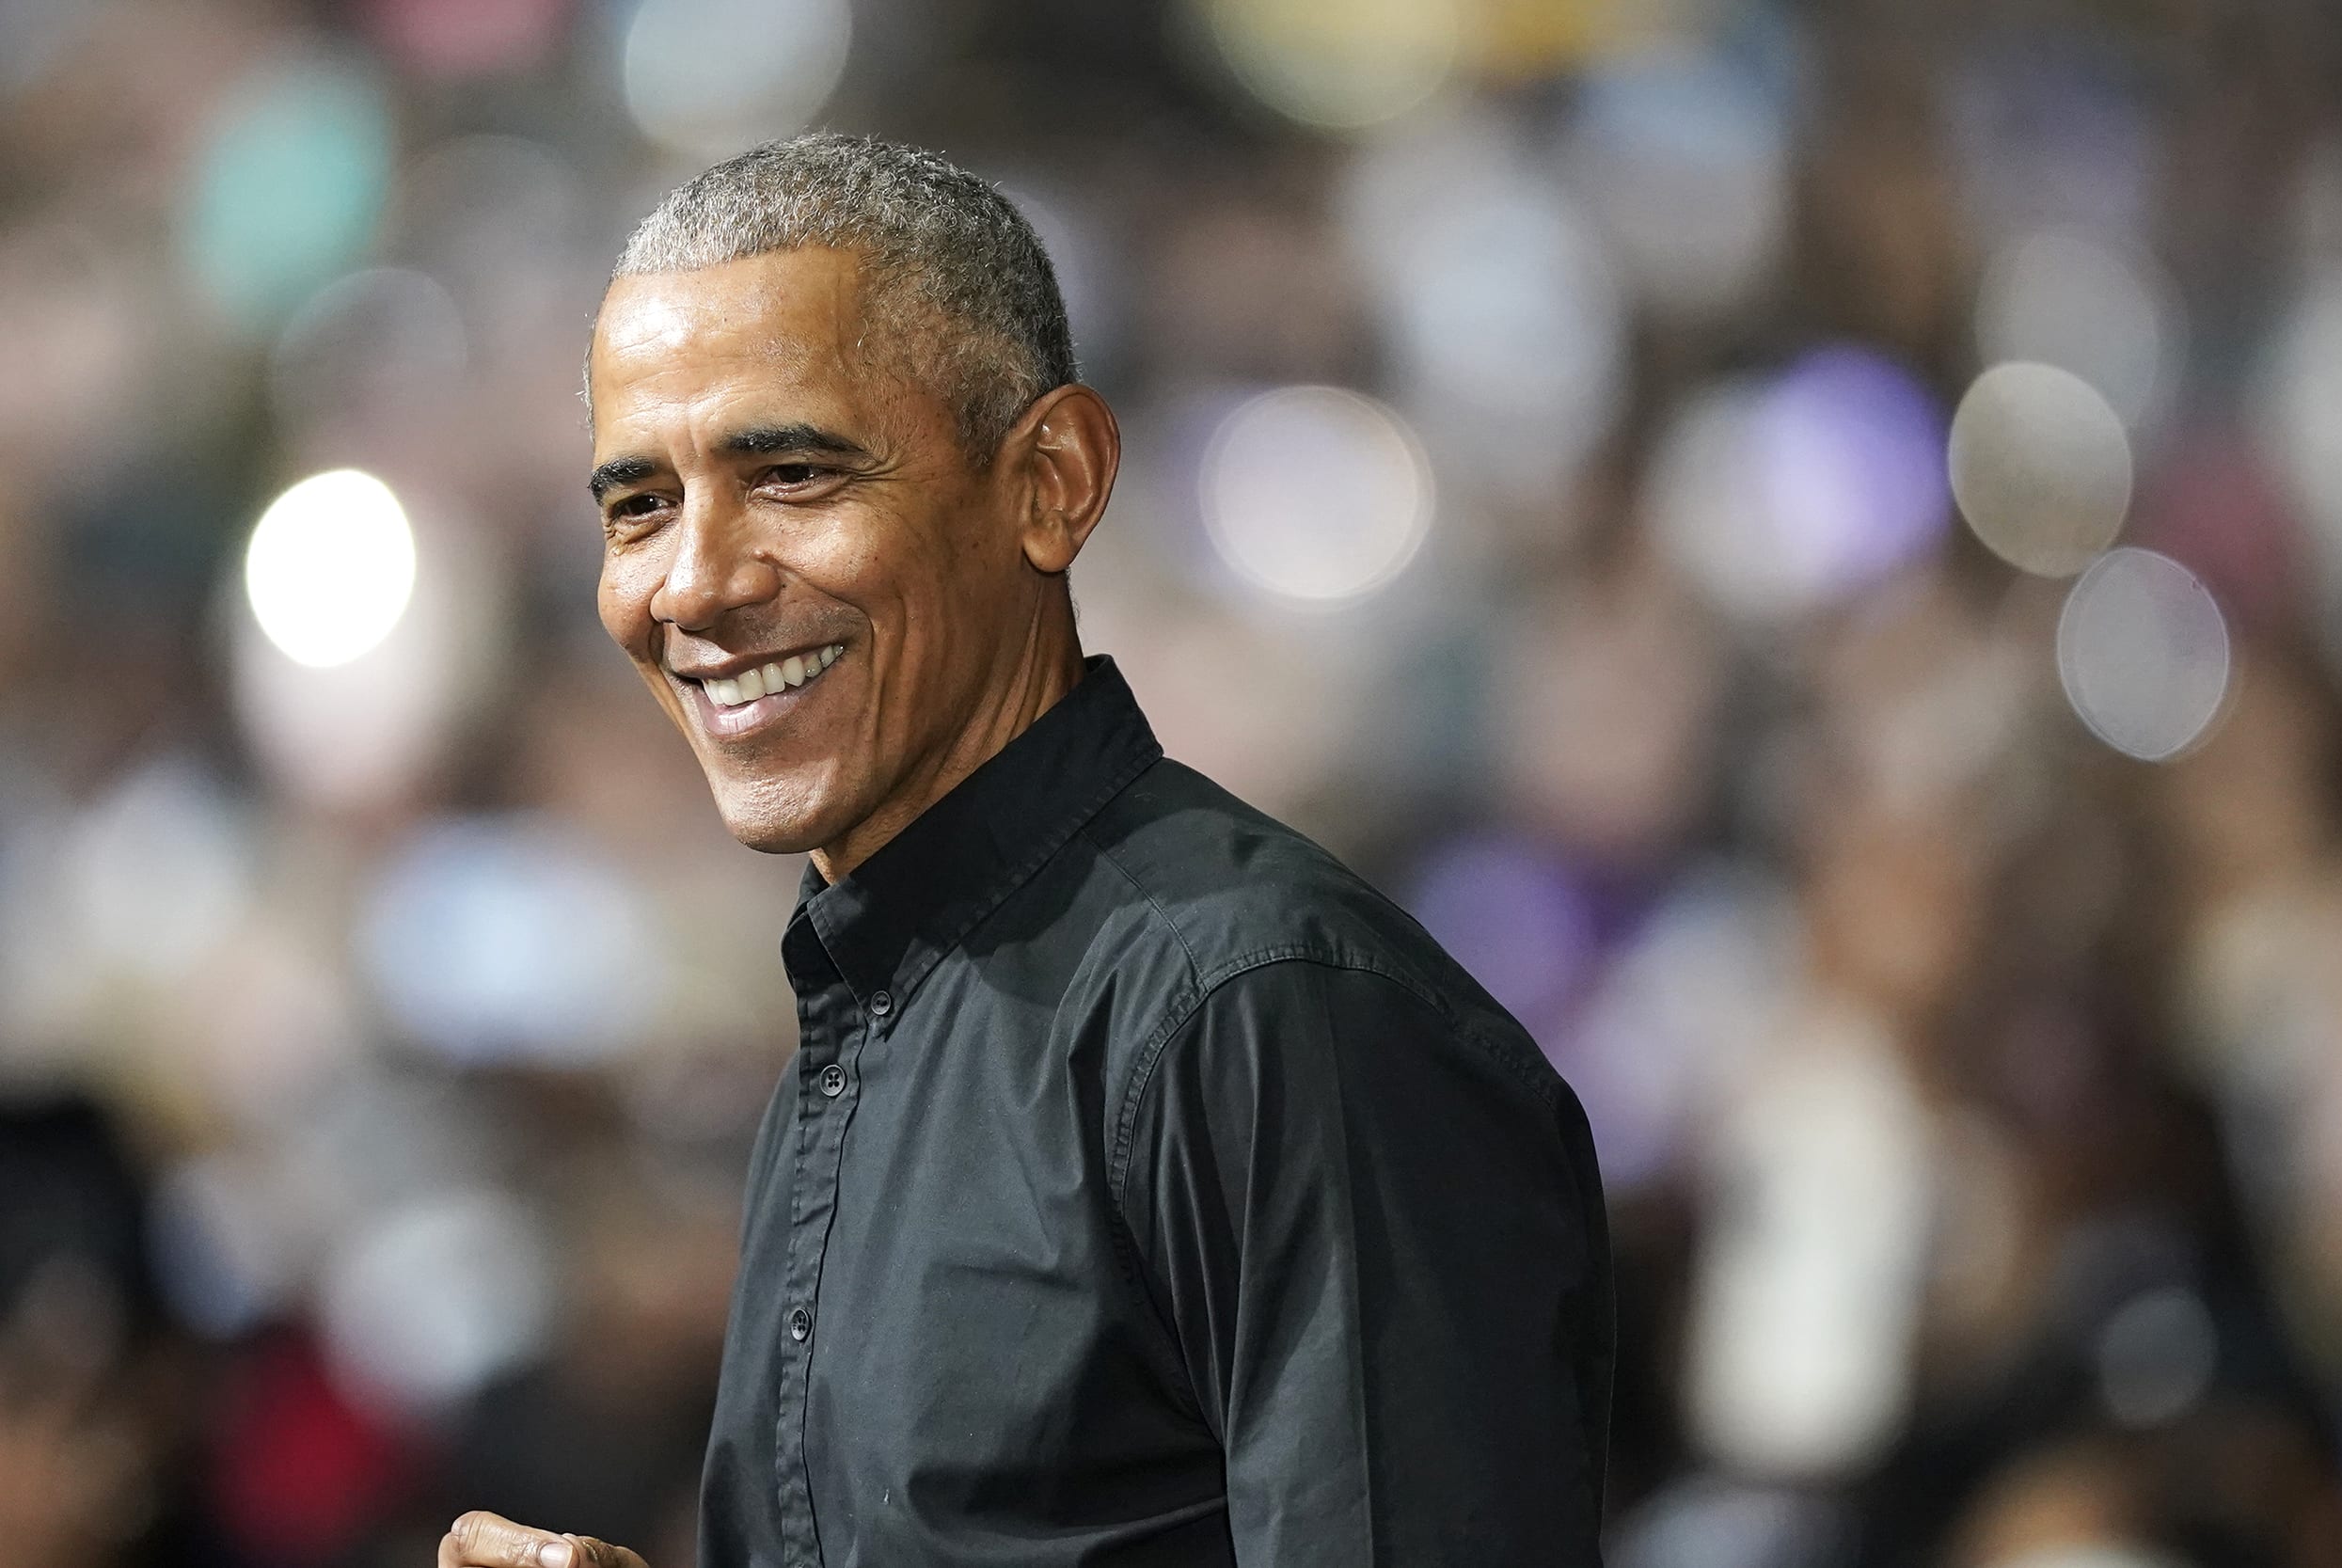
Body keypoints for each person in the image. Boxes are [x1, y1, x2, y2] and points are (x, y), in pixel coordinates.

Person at [441, 133, 1612, 1568]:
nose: (693, 579)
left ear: (1051, 481)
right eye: (640, 505)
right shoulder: (867, 1013)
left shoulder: (1267, 1012)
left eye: (795, 473)